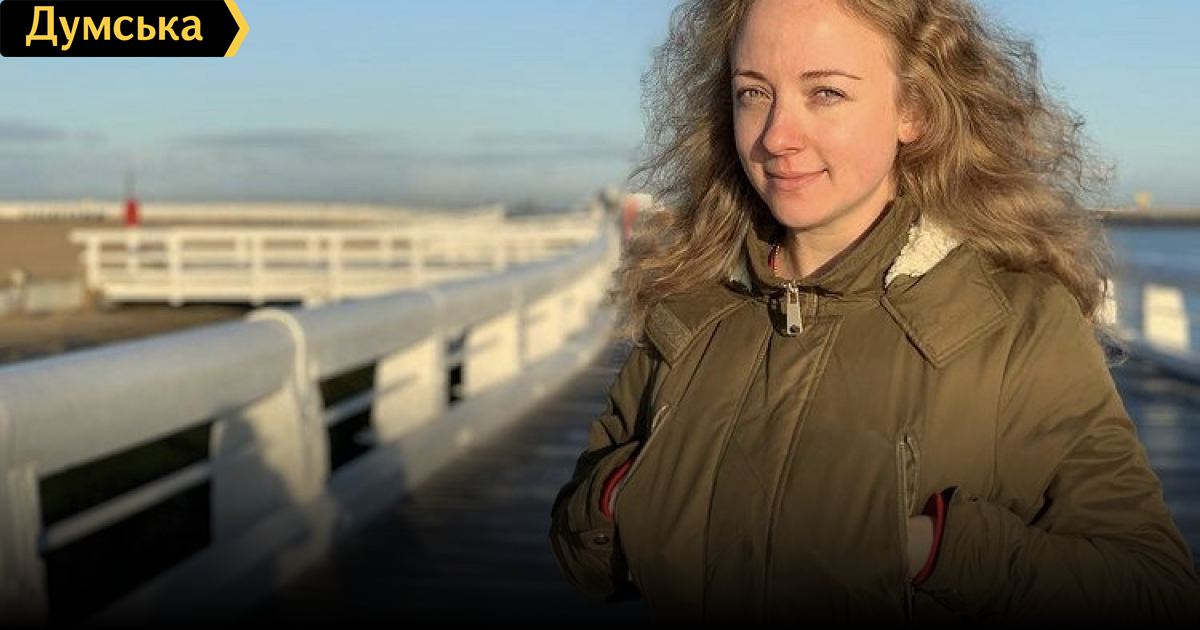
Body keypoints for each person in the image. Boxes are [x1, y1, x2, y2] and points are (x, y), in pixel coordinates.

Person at [548, 0, 1200, 625]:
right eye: (753, 93)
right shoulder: (690, 309)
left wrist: (932, 550)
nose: (777, 136)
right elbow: (585, 557)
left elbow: (1153, 588)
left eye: (825, 92)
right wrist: (619, 498)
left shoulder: (1016, 329)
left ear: (913, 109)